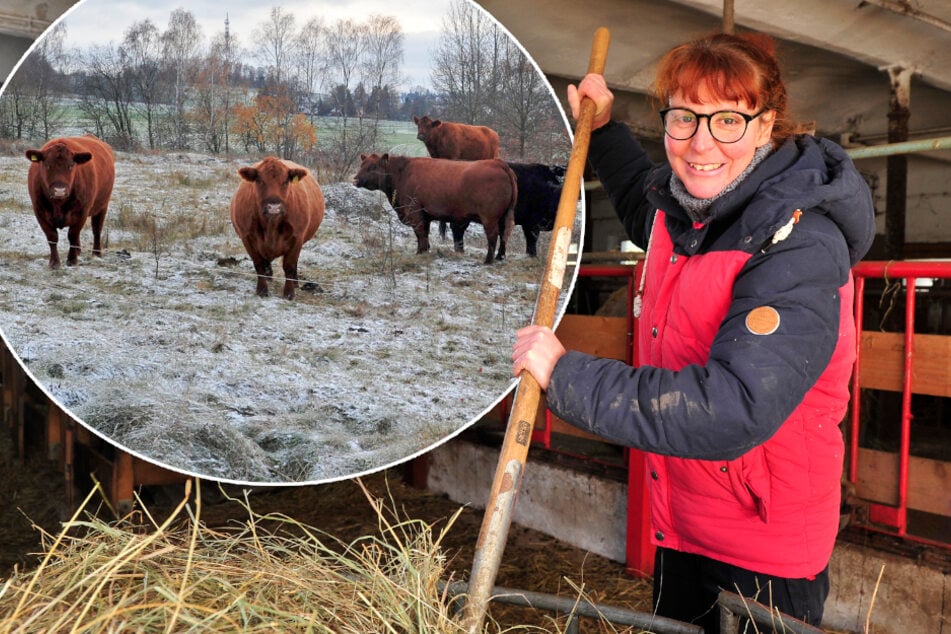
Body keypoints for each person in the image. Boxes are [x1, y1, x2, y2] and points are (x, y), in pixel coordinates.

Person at [512, 31, 875, 632]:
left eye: (727, 119)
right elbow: (639, 195)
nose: (701, 142)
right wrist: (602, 128)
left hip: (763, 548)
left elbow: (733, 409)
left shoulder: (801, 242)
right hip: (683, 518)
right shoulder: (685, 207)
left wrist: (566, 372)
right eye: (684, 118)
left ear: (767, 125)